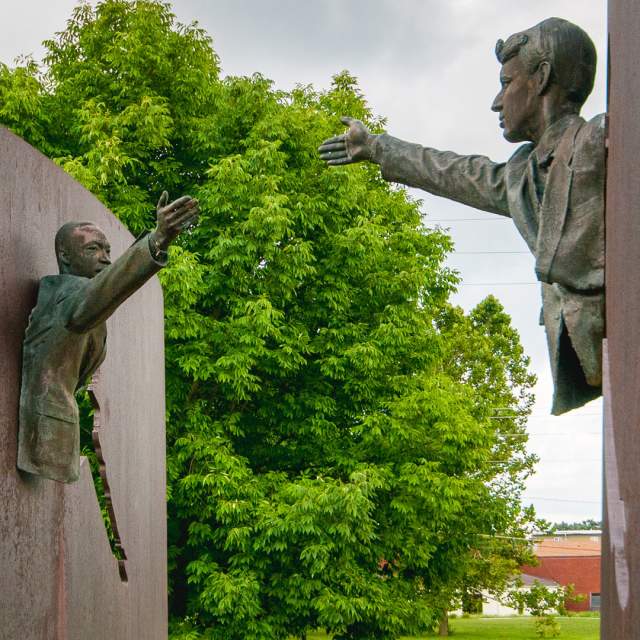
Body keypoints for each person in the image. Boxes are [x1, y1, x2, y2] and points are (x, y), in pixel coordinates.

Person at [318, 17, 605, 415]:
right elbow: (453, 171)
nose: (496, 101)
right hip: (596, 351)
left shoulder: (600, 140)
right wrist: (377, 148)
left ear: (540, 78)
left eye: (507, 83)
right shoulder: (520, 174)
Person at [17, 192, 199, 482]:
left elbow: (108, 285)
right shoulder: (64, 297)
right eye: (93, 249)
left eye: (108, 250)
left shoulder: (86, 301)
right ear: (65, 256)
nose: (105, 258)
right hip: (39, 433)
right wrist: (157, 239)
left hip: (51, 436)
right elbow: (110, 285)